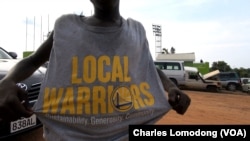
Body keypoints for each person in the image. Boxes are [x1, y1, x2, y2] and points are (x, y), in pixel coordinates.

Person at [0, 0, 190, 140]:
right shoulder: (66, 28)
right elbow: (33, 61)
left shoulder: (137, 31)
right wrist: (8, 80)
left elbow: (148, 66)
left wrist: (170, 87)